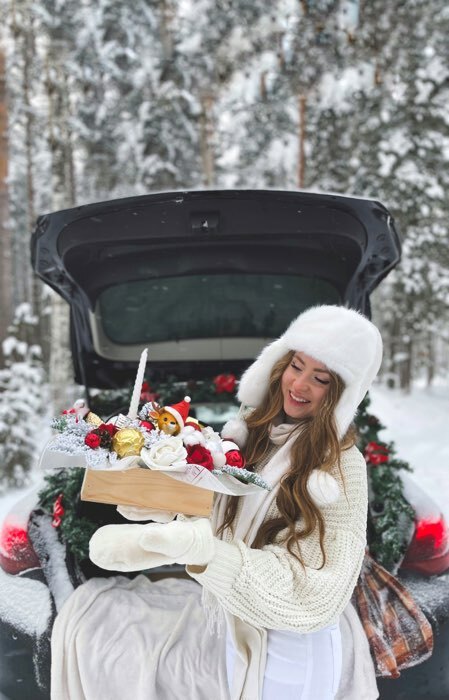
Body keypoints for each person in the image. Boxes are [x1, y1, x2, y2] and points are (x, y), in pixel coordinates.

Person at [85, 304, 382, 700]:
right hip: (237, 624)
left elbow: (317, 594)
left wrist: (202, 550)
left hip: (294, 649)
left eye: (321, 378)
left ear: (340, 395)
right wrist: (165, 507)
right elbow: (227, 514)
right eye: (296, 365)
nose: (299, 384)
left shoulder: (341, 468)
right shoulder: (256, 436)